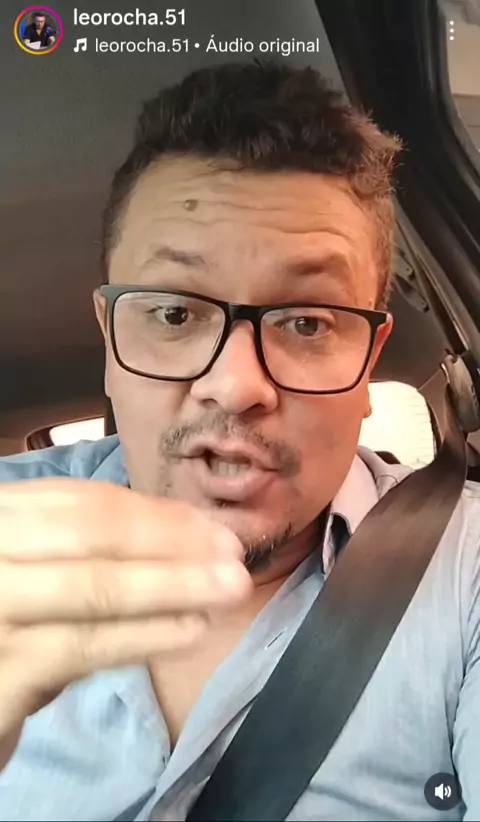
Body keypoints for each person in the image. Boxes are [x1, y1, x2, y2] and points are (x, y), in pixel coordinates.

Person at [0, 61, 478, 821]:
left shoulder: (466, 572)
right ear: (109, 339)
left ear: (368, 366)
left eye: (308, 322)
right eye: (174, 313)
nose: (235, 385)